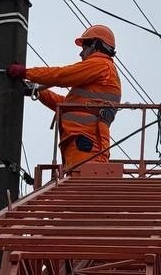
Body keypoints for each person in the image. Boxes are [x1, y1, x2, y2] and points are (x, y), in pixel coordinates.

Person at [7, 24, 121, 171]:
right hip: (82, 141)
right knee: (79, 188)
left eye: (84, 48)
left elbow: (61, 76)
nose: (81, 54)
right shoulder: (100, 71)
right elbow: (66, 105)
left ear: (95, 45)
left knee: (83, 188)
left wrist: (26, 73)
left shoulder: (101, 65)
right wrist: (38, 92)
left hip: (87, 143)